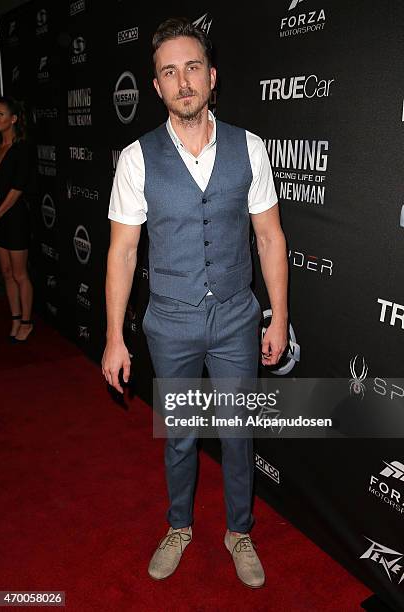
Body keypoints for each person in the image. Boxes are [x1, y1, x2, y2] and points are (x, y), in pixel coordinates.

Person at [102, 17, 288, 588]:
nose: (182, 82)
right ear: (155, 86)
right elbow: (123, 253)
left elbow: (270, 237)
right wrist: (114, 337)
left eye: (191, 68)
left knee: (237, 433)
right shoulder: (136, 158)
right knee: (180, 435)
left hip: (235, 314)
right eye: (168, 72)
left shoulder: (250, 147)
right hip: (171, 320)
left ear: (211, 76)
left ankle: (239, 531)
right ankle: (179, 525)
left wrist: (278, 315)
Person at [0, 96, 33, 342]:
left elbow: (17, 188)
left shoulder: (21, 149)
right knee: (7, 272)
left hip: (15, 217)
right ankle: (15, 318)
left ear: (14, 119)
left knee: (20, 274)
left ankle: (27, 322)